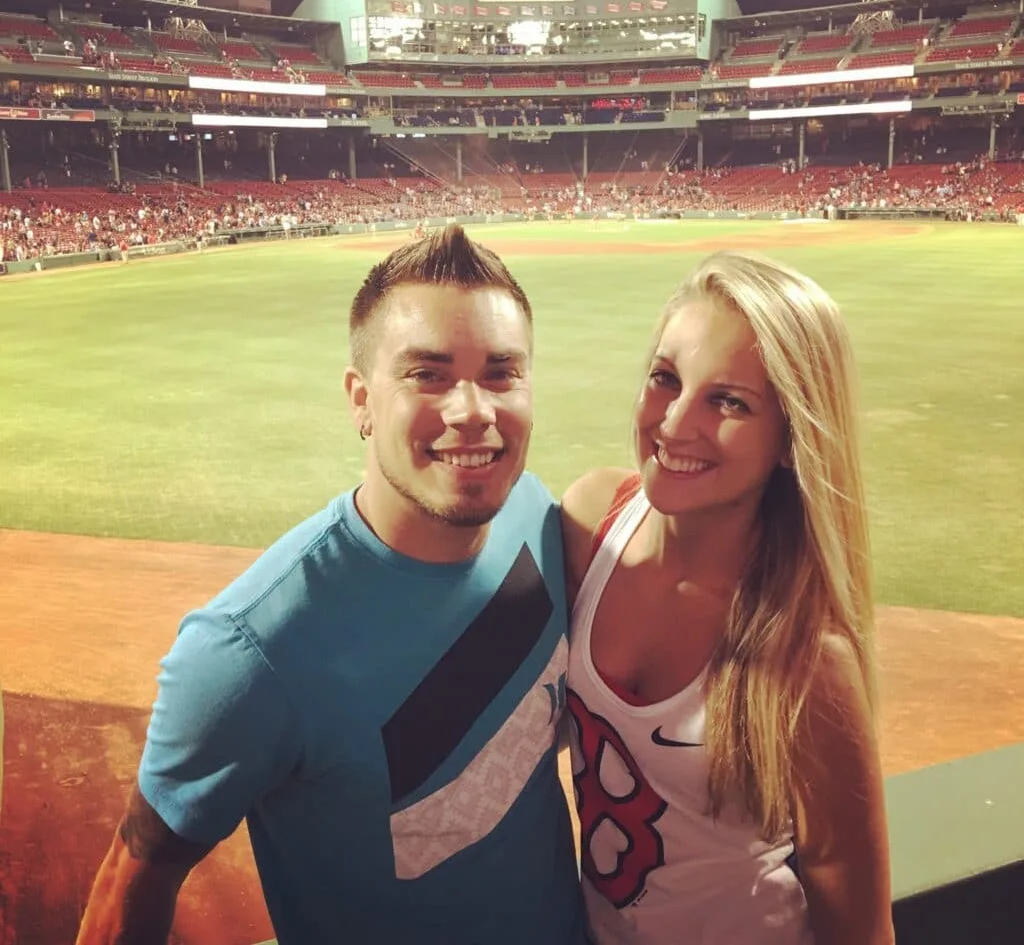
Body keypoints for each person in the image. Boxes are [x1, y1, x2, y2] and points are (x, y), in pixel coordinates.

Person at [75, 224, 584, 945]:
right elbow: (134, 880)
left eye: (501, 371)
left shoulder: (533, 514)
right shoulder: (251, 653)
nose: (473, 409)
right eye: (427, 374)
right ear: (361, 401)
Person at [561, 252, 893, 945]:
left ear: (789, 439)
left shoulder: (805, 655)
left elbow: (854, 911)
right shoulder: (589, 525)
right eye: (665, 379)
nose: (675, 423)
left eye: (729, 400)